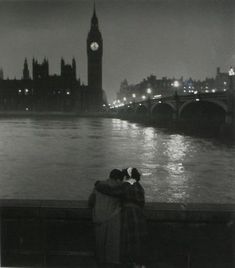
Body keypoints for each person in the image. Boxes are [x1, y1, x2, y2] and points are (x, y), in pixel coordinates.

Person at [95, 167, 148, 268]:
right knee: (138, 241)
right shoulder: (139, 186)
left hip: (129, 214)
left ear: (127, 176)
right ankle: (140, 264)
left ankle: (132, 263)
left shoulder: (127, 185)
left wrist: (98, 185)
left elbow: (111, 191)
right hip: (139, 214)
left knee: (129, 240)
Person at [88, 169, 124, 268]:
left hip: (98, 218)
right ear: (118, 179)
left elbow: (91, 201)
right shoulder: (120, 188)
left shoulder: (98, 186)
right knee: (112, 249)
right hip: (113, 220)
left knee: (99, 246)